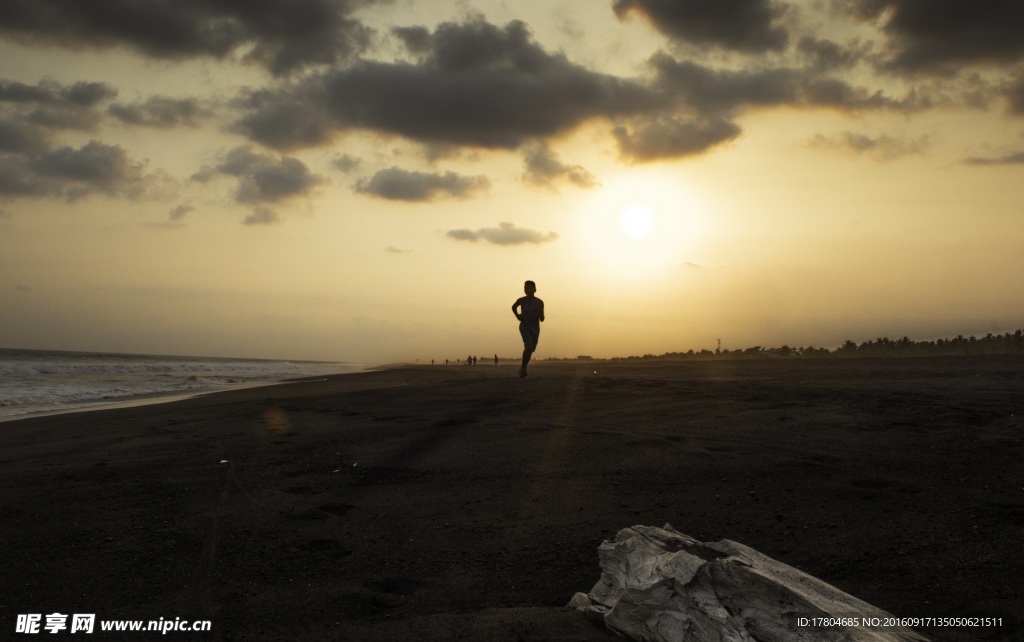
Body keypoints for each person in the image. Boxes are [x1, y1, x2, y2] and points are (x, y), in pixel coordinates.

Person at [511, 280, 545, 378]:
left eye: (530, 288)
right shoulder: (521, 300)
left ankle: (523, 367)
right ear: (524, 290)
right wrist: (517, 315)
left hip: (535, 328)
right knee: (528, 346)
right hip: (524, 326)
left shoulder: (540, 302)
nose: (528, 290)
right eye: (526, 289)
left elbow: (542, 316)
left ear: (535, 290)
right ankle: (523, 368)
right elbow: (513, 307)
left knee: (530, 349)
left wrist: (541, 317)